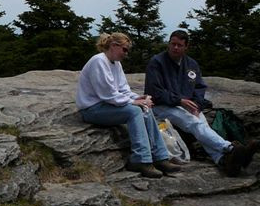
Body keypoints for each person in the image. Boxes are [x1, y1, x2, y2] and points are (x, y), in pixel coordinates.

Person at [145, 29, 256, 176]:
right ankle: (230, 148)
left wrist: (197, 104)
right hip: (162, 106)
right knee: (194, 123)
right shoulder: (156, 62)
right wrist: (179, 100)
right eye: (173, 44)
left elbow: (199, 87)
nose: (175, 48)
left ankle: (224, 161)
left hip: (186, 106)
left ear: (186, 47)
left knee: (201, 124)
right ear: (169, 44)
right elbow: (154, 91)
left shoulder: (191, 64)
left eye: (179, 45)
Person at [76, 32, 180, 178]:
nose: (126, 53)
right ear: (113, 46)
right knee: (134, 111)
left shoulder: (115, 64)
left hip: (106, 106)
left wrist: (138, 98)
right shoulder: (98, 61)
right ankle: (141, 159)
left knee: (144, 108)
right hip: (92, 109)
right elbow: (108, 94)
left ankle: (160, 157)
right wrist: (134, 102)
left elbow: (123, 89)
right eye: (124, 49)